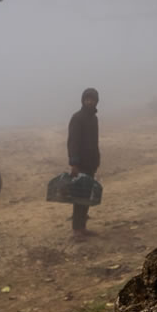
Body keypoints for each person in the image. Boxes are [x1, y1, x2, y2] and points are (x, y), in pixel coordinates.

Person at [67, 87, 100, 239]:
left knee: (87, 197)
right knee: (79, 197)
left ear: (96, 101)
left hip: (91, 164)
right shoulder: (77, 118)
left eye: (92, 99)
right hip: (80, 165)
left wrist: (97, 159)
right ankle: (76, 230)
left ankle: (83, 227)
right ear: (83, 100)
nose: (89, 101)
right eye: (87, 99)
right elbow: (73, 142)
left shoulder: (94, 119)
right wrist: (74, 163)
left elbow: (94, 142)